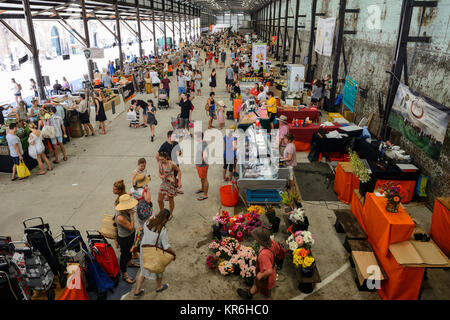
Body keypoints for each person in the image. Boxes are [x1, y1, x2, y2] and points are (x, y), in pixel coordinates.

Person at [133, 209, 176, 297]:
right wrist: (173, 252)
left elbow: (145, 227)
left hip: (144, 250)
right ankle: (159, 287)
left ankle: (137, 291)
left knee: (143, 270)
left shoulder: (148, 222)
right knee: (159, 270)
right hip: (154, 252)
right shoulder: (162, 231)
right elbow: (166, 246)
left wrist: (152, 217)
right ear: (166, 219)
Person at [237, 227, 281, 300]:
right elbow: (278, 249)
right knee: (257, 283)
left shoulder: (264, 254)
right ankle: (249, 295)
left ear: (260, 240)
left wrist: (261, 275)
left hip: (266, 278)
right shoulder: (272, 242)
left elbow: (269, 271)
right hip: (267, 270)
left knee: (266, 293)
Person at [115, 194, 139, 284]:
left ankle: (130, 262)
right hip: (125, 238)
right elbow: (131, 227)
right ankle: (124, 274)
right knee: (124, 255)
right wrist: (132, 215)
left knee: (129, 251)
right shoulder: (120, 216)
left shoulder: (125, 210)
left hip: (130, 236)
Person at [157, 152, 181, 217]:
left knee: (170, 200)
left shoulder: (172, 164)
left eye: (162, 159)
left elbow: (179, 171)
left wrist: (179, 182)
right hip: (164, 183)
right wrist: (160, 176)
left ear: (166, 158)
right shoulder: (160, 163)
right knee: (159, 200)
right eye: (160, 159)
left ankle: (170, 213)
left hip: (171, 183)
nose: (161, 161)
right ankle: (161, 212)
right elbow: (159, 171)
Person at [194, 132, 209, 201]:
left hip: (202, 165)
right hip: (200, 165)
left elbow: (205, 156)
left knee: (204, 178)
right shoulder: (200, 143)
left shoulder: (203, 145)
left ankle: (205, 194)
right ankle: (202, 189)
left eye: (196, 137)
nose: (194, 138)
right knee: (202, 178)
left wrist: (200, 161)